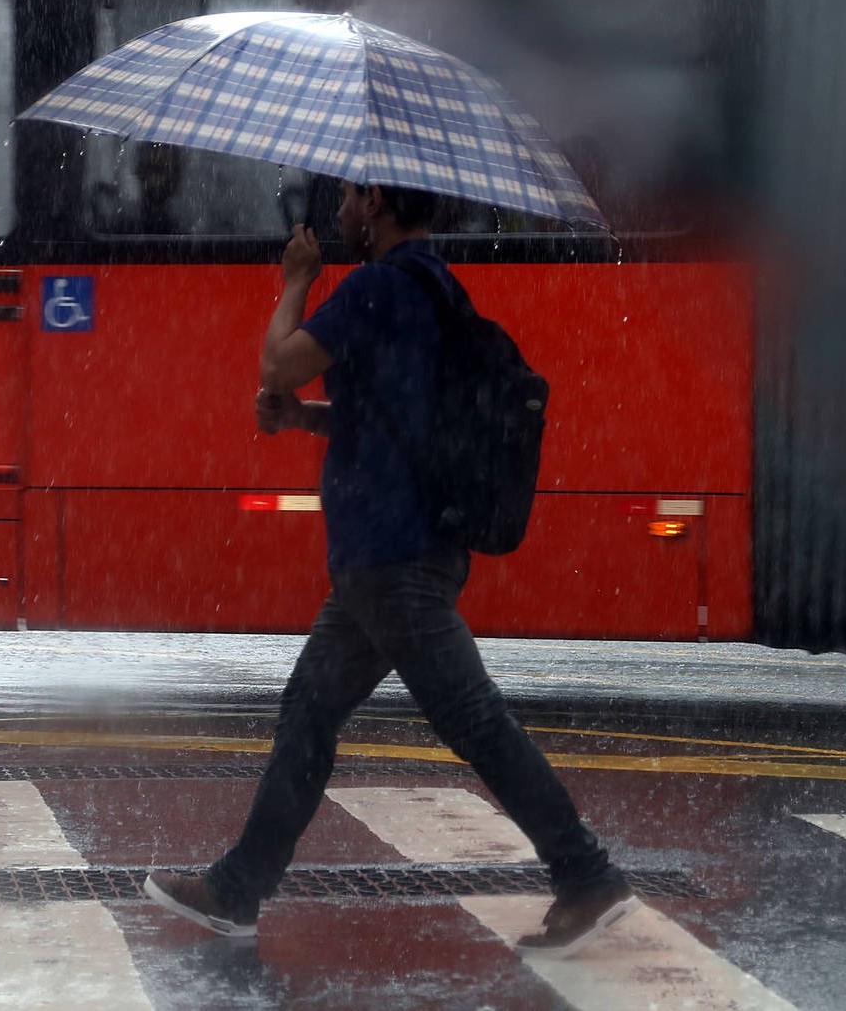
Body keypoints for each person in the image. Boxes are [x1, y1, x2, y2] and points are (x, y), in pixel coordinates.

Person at [144, 179, 638, 957]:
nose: (335, 211)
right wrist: (308, 418)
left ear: (374, 203)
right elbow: (392, 418)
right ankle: (237, 890)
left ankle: (587, 874)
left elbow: (278, 362)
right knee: (309, 713)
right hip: (396, 553)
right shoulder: (434, 285)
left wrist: (296, 282)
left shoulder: (376, 286)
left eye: (345, 197)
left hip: (390, 556)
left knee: (474, 722)